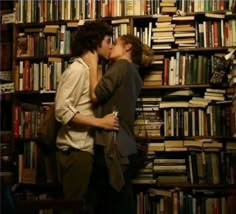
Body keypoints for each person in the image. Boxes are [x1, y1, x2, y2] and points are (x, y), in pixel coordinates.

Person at [54, 21, 119, 213]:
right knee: (73, 207)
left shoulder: (91, 70)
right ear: (95, 43)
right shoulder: (78, 70)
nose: (111, 46)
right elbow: (62, 111)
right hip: (75, 150)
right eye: (108, 41)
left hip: (85, 149)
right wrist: (100, 122)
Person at [85, 34, 153, 214]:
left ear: (127, 48)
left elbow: (95, 96)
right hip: (126, 141)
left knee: (106, 200)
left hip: (111, 140)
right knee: (121, 197)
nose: (112, 47)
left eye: (116, 44)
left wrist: (93, 63)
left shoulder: (121, 66)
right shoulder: (135, 73)